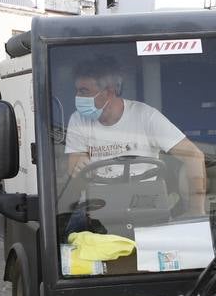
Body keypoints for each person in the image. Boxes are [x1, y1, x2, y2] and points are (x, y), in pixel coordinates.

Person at [65, 56, 207, 214]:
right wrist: (81, 168)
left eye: (84, 91)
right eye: (77, 90)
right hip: (96, 210)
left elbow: (194, 156)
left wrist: (196, 212)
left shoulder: (146, 116)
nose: (77, 97)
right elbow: (73, 174)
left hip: (145, 207)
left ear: (109, 92)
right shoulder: (78, 120)